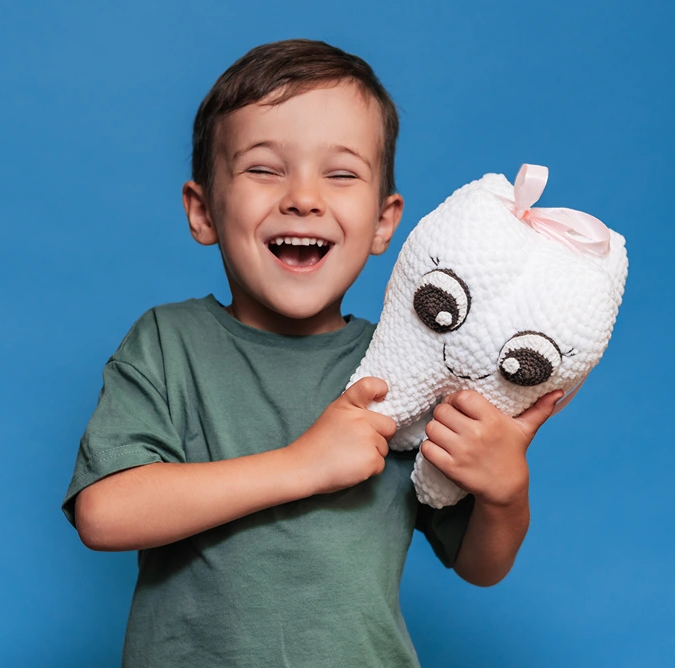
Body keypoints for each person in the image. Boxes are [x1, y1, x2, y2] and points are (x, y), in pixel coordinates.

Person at [62, 38, 563, 667]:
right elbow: (104, 514)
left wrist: (505, 491)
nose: (304, 197)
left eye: (341, 173)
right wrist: (304, 464)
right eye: (264, 168)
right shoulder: (168, 343)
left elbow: (480, 567)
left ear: (384, 223)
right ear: (202, 210)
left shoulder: (408, 369)